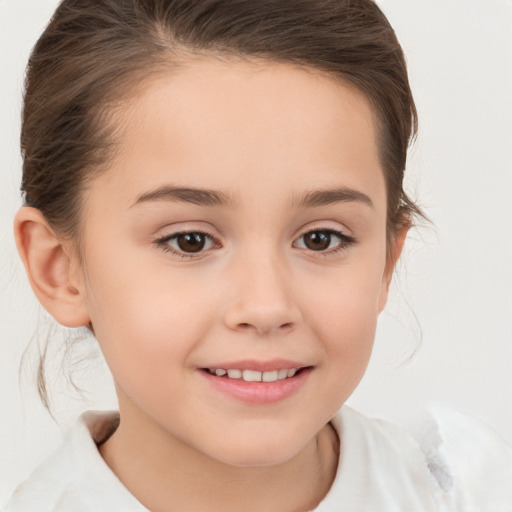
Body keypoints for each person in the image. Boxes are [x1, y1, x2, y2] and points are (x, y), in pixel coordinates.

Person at [3, 0, 512, 511]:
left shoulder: (474, 493)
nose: (266, 307)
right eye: (190, 241)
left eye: (321, 239)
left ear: (385, 261)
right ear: (60, 268)